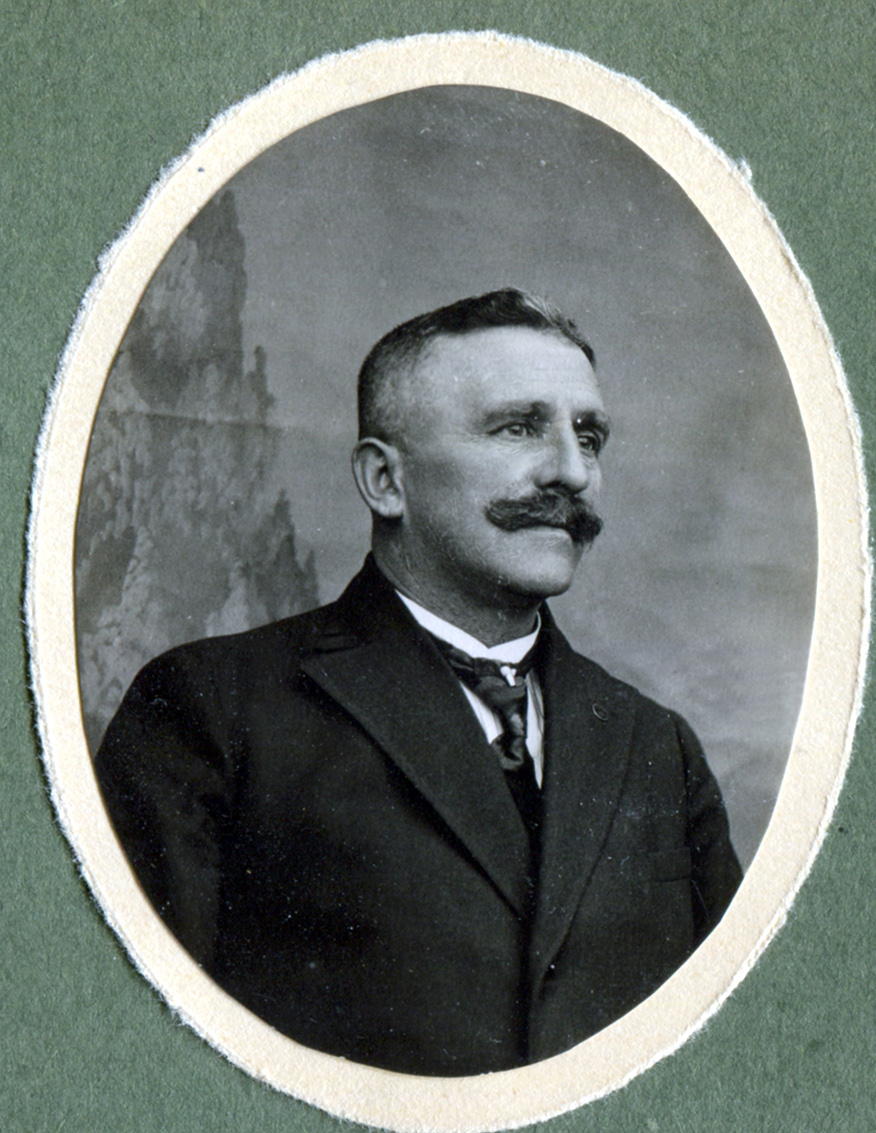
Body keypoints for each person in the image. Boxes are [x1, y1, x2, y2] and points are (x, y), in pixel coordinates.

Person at [95, 288, 742, 1077]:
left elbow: (727, 1059)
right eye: (518, 427)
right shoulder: (210, 710)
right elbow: (145, 1063)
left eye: (589, 436)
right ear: (385, 480)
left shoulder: (658, 748)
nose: (572, 472)